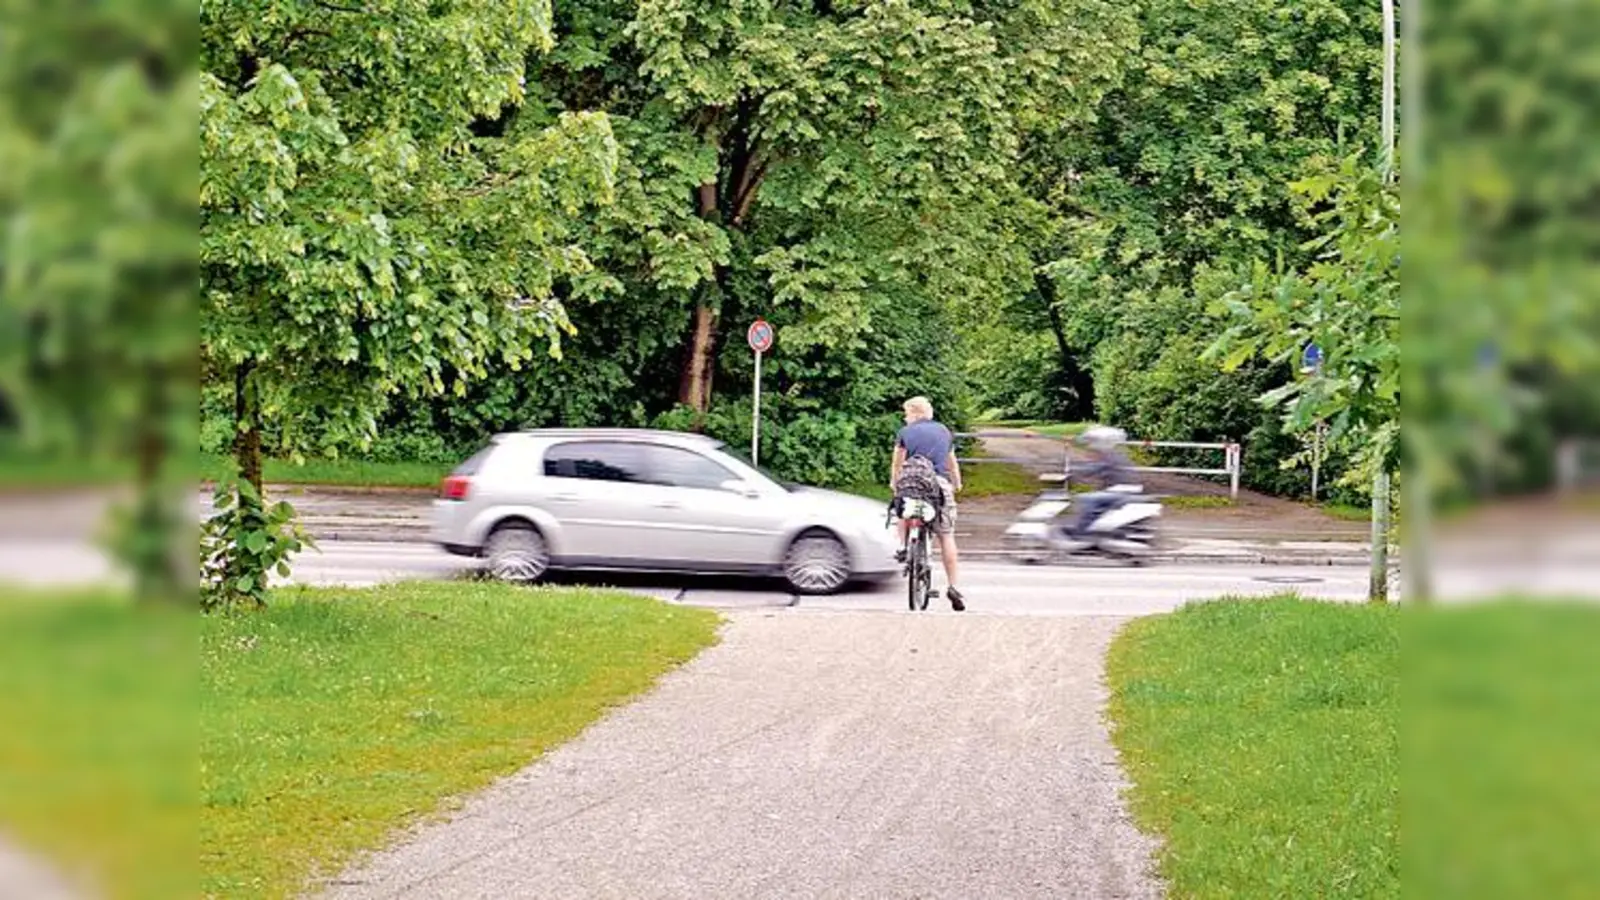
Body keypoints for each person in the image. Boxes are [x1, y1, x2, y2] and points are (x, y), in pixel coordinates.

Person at [889, 396, 965, 612]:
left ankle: (903, 547)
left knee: (903, 509)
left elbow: (897, 464)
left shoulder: (905, 432)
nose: (905, 418)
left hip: (912, 484)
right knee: (946, 535)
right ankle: (953, 586)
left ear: (914, 412)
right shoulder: (943, 431)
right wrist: (957, 483)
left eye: (906, 413)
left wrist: (895, 484)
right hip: (938, 485)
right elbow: (952, 464)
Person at [1063, 425, 1137, 539]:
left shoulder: (1109, 456)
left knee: (1087, 499)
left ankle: (1081, 532)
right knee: (1093, 499)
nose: (1090, 446)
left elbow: (1092, 470)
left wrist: (1074, 474)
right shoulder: (1115, 454)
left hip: (1120, 491)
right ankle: (1089, 528)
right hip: (1122, 489)